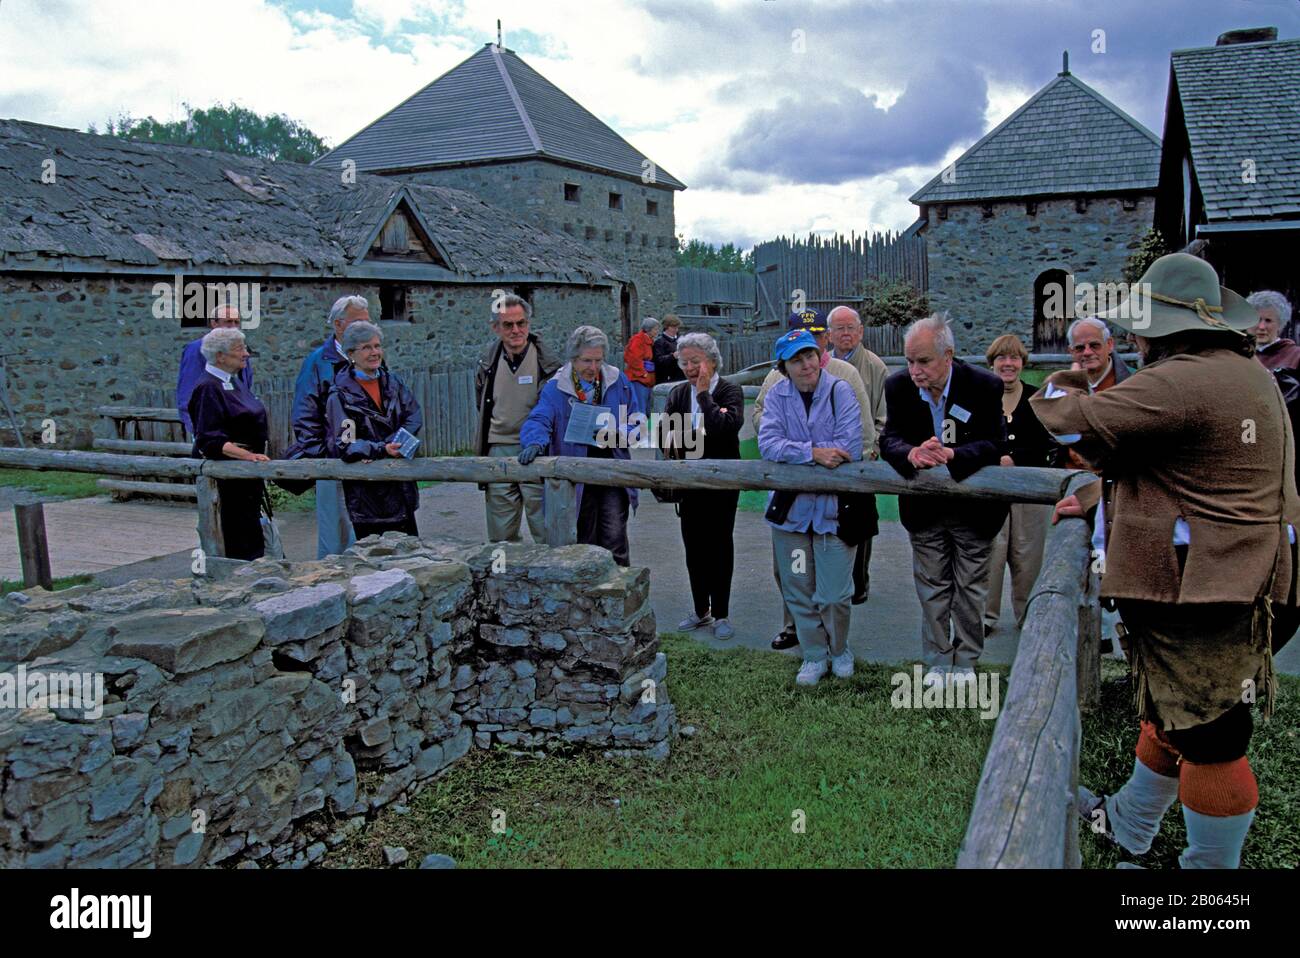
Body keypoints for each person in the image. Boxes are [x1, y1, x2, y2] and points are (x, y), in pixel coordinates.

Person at [1032, 252, 1294, 869]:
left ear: (1162, 329)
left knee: (1210, 738)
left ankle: (1208, 876)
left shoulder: (1180, 378)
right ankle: (1131, 822)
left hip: (1209, 587)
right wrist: (1100, 493)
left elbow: (1063, 420)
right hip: (1238, 576)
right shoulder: (1238, 369)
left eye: (1139, 327)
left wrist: (1069, 378)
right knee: (1173, 713)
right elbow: (1182, 468)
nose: (1132, 339)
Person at [881, 313, 1007, 683]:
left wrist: (954, 454)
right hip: (924, 509)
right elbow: (889, 439)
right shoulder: (898, 386)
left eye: (923, 361)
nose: (915, 370)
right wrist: (911, 453)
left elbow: (996, 444)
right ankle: (938, 659)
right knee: (933, 587)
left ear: (948, 355)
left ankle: (966, 661)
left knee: (969, 590)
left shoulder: (985, 386)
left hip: (975, 508)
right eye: (909, 361)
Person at [754, 309, 873, 650]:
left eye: (810, 355)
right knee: (798, 586)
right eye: (796, 360)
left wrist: (798, 451)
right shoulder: (776, 392)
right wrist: (814, 453)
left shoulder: (843, 385)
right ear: (784, 367)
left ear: (821, 353)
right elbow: (767, 441)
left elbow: (852, 443)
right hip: (793, 511)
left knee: (835, 592)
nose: (805, 365)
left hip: (836, 509)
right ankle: (813, 653)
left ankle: (839, 648)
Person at [519, 325, 640, 566]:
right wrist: (534, 441)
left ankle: (620, 595)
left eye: (598, 360)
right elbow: (540, 418)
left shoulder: (618, 381)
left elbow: (636, 420)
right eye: (586, 361)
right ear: (573, 359)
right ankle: (587, 598)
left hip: (611, 471)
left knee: (615, 536)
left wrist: (619, 434)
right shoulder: (557, 388)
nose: (593, 368)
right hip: (576, 477)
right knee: (583, 539)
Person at [663, 332, 744, 640]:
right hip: (689, 481)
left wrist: (704, 396)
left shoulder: (730, 390)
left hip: (722, 482)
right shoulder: (676, 393)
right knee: (694, 547)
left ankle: (721, 613)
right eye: (684, 362)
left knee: (720, 545)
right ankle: (701, 610)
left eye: (695, 361)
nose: (689, 368)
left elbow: (724, 428)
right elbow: (669, 436)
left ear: (712, 361)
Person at [981, 334, 1055, 636]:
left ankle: (1028, 614)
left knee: (1027, 554)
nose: (1007, 364)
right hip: (990, 491)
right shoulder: (980, 398)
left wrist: (1016, 458)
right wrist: (995, 457)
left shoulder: (1039, 399)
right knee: (991, 553)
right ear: (992, 363)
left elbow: (1049, 445)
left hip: (1029, 489)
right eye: (1001, 358)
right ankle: (985, 616)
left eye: (1013, 358)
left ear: (1022, 363)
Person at [325, 321, 423, 539]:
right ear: (351, 353)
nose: (375, 352)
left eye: (377, 346)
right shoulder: (340, 395)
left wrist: (395, 444)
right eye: (367, 347)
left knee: (410, 557)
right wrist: (381, 449)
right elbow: (346, 443)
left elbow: (413, 417)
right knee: (373, 563)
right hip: (367, 497)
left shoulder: (393, 383)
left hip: (400, 486)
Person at [474, 294, 559, 543]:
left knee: (546, 530)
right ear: (496, 328)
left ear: (528, 324)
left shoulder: (547, 362)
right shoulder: (486, 364)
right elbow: (481, 405)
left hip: (538, 449)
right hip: (498, 449)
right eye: (508, 325)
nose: (516, 330)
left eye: (521, 323)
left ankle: (551, 579)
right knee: (501, 535)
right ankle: (505, 579)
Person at [292, 295, 368, 558]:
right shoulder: (318, 362)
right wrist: (321, 455)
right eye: (358, 323)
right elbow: (304, 414)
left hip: (365, 456)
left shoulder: (368, 356)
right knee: (333, 532)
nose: (365, 330)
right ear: (339, 325)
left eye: (367, 323)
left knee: (363, 529)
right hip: (333, 458)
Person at [187, 327, 269, 561]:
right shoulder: (208, 387)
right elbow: (209, 439)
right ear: (220, 356)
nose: (246, 353)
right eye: (239, 349)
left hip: (245, 476)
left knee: (250, 531)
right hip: (228, 477)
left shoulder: (233, 381)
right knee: (237, 534)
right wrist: (247, 456)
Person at [827, 304, 890, 605]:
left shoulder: (875, 366)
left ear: (861, 331)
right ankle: (834, 580)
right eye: (839, 328)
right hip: (828, 457)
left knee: (861, 519)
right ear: (829, 335)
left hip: (863, 457)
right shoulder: (821, 365)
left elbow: (884, 414)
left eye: (851, 327)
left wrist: (874, 447)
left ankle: (859, 581)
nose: (846, 333)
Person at [177, 303, 252, 435]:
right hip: (209, 427)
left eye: (236, 322)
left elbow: (246, 385)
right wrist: (196, 431)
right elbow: (187, 392)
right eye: (228, 322)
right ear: (214, 324)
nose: (233, 327)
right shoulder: (198, 349)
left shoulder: (241, 350)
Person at [1247, 289, 1300, 371]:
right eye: (1257, 320)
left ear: (1281, 325)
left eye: (1268, 320)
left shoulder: (1295, 356)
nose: (1261, 327)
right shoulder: (1235, 354)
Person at [624, 317, 659, 415]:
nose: (657, 331)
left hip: (646, 378)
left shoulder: (649, 341)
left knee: (646, 407)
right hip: (638, 378)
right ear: (649, 329)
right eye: (655, 329)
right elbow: (633, 358)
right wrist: (643, 373)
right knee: (639, 408)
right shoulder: (638, 340)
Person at [653, 314, 685, 385]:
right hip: (666, 378)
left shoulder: (681, 339)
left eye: (677, 327)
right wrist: (672, 356)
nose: (676, 330)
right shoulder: (660, 342)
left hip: (681, 376)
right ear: (666, 327)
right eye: (673, 327)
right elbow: (658, 360)